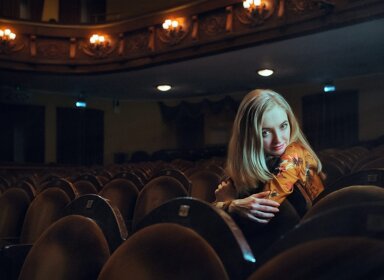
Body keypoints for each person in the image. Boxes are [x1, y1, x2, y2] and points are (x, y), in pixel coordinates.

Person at [213, 89, 325, 223]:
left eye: (283, 126)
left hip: (309, 238)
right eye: (265, 133)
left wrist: (228, 203)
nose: (278, 139)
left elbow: (262, 211)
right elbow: (208, 217)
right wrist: (229, 205)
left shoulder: (294, 153)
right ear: (248, 137)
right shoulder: (248, 169)